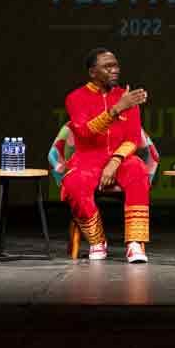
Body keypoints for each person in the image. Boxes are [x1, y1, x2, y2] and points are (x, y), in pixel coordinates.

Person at [62, 48, 151, 263]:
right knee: (74, 183)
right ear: (92, 72)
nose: (114, 70)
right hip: (87, 159)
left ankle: (135, 244)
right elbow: (84, 132)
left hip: (120, 160)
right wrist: (116, 109)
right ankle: (97, 240)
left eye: (116, 65)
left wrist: (115, 161)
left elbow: (133, 139)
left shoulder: (125, 96)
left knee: (138, 169)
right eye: (107, 66)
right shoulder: (75, 98)